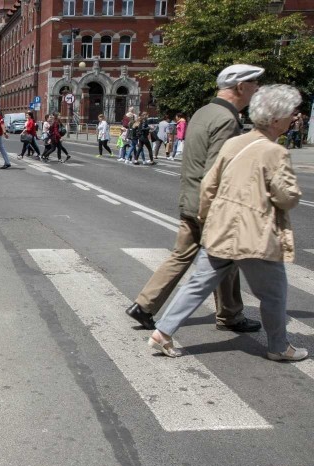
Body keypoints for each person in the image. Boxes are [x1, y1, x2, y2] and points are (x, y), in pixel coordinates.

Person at [149, 84, 307, 362]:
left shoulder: (234, 143)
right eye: (291, 112)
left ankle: (162, 332)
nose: (294, 117)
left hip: (220, 229)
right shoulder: (275, 152)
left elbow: (209, 185)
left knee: (198, 283)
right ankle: (279, 346)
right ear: (275, 118)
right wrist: (292, 192)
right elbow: (285, 198)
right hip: (254, 235)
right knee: (274, 293)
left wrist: (207, 220)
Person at [126, 63, 265, 333]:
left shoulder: (203, 112)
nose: (256, 90)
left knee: (186, 256)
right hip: (207, 205)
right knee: (226, 258)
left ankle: (144, 306)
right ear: (240, 87)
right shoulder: (227, 119)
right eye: (253, 84)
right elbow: (218, 170)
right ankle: (228, 315)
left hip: (190, 197)